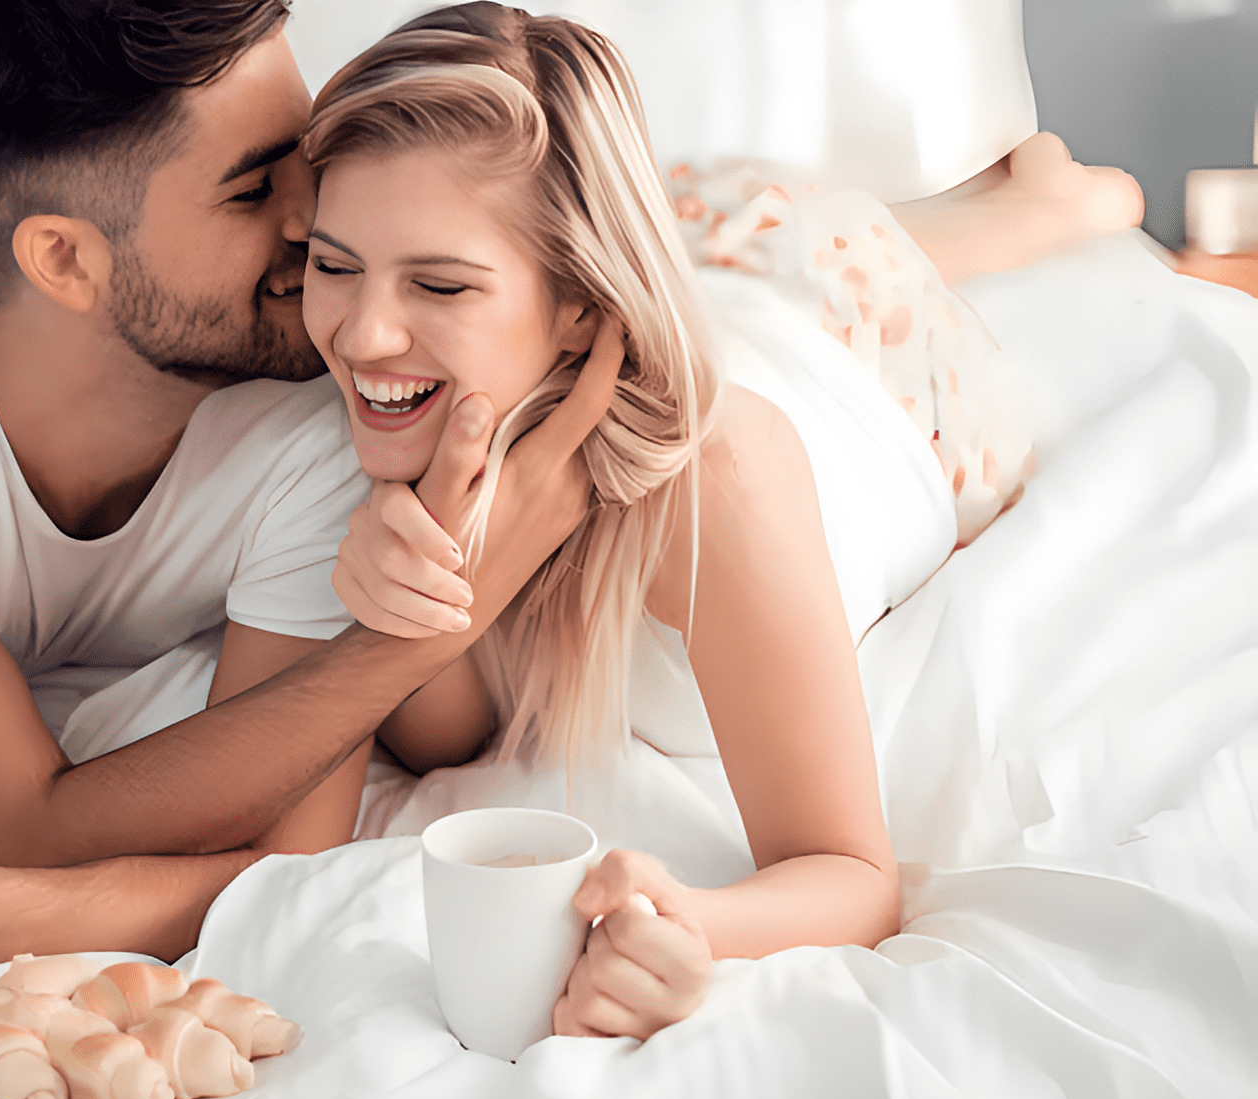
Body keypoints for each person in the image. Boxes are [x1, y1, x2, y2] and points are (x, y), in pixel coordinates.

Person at [0, 0, 605, 1047]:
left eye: (306, 155)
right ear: (65, 261)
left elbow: (284, 863)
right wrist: (419, 636)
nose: (324, 225)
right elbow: (16, 829)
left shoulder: (341, 384)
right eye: (254, 186)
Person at [300, 1, 1142, 1041]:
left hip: (850, 335)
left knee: (904, 247)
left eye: (437, 282)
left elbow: (850, 875)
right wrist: (412, 580)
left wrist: (687, 920)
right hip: (705, 267)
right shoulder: (403, 401)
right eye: (332, 264)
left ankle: (1064, 203)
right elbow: (446, 735)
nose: (363, 331)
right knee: (717, 232)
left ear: (575, 303)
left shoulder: (716, 481)